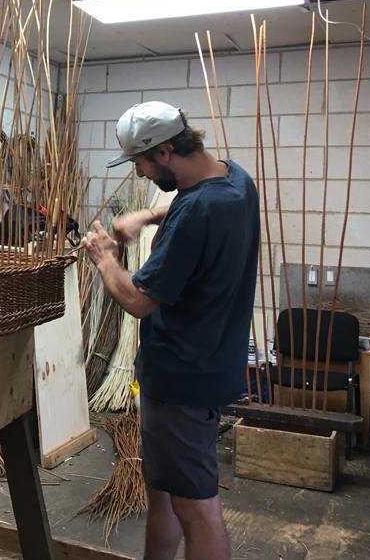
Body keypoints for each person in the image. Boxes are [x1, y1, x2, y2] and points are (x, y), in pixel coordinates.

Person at [82, 101, 259, 560]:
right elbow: (199, 204)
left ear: (163, 153)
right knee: (163, 489)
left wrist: (105, 257)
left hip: (182, 378)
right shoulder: (236, 180)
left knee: (196, 509)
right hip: (209, 364)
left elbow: (139, 300)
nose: (139, 174)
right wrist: (149, 216)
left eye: (139, 162)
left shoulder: (196, 213)